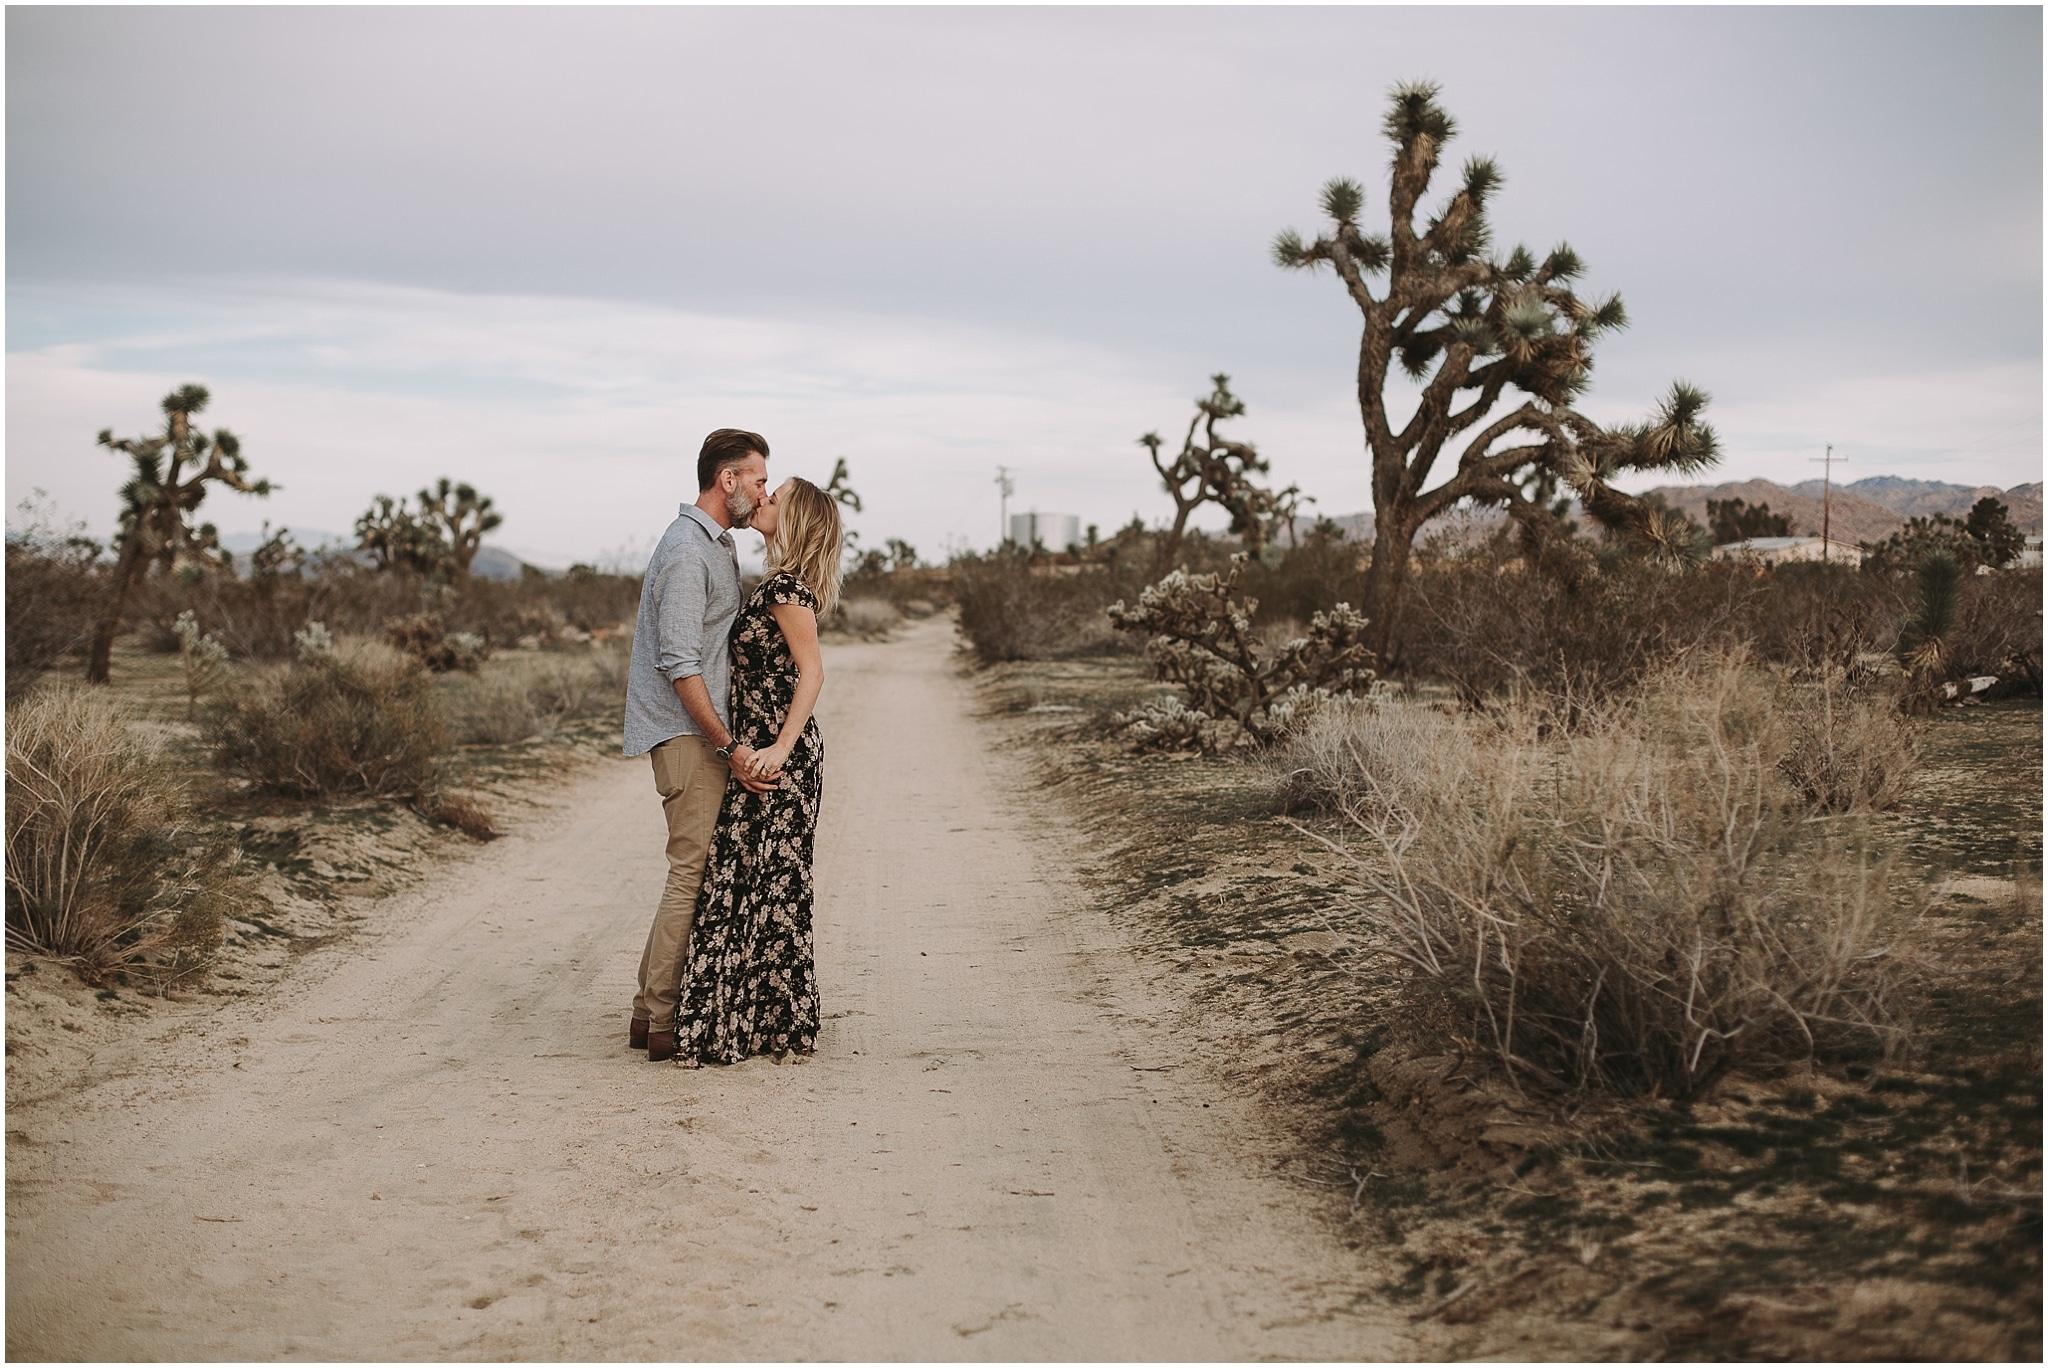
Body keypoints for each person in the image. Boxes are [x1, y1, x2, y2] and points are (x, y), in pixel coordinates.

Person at [675, 476, 844, 1067]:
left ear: (793, 518)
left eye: (774, 499)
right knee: (743, 878)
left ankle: (778, 1024)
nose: (762, 501)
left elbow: (812, 673)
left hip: (780, 758)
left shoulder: (788, 589)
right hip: (756, 749)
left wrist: (779, 748)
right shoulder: (772, 582)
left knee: (773, 886)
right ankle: (744, 1022)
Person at [622, 428, 777, 1063]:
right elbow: (681, 665)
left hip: (699, 733)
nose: (764, 490)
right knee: (690, 872)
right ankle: (660, 1020)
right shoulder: (688, 551)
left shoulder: (714, 547)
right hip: (689, 736)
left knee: (694, 871)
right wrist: (729, 746)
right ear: (728, 480)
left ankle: (646, 1012)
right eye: (759, 479)